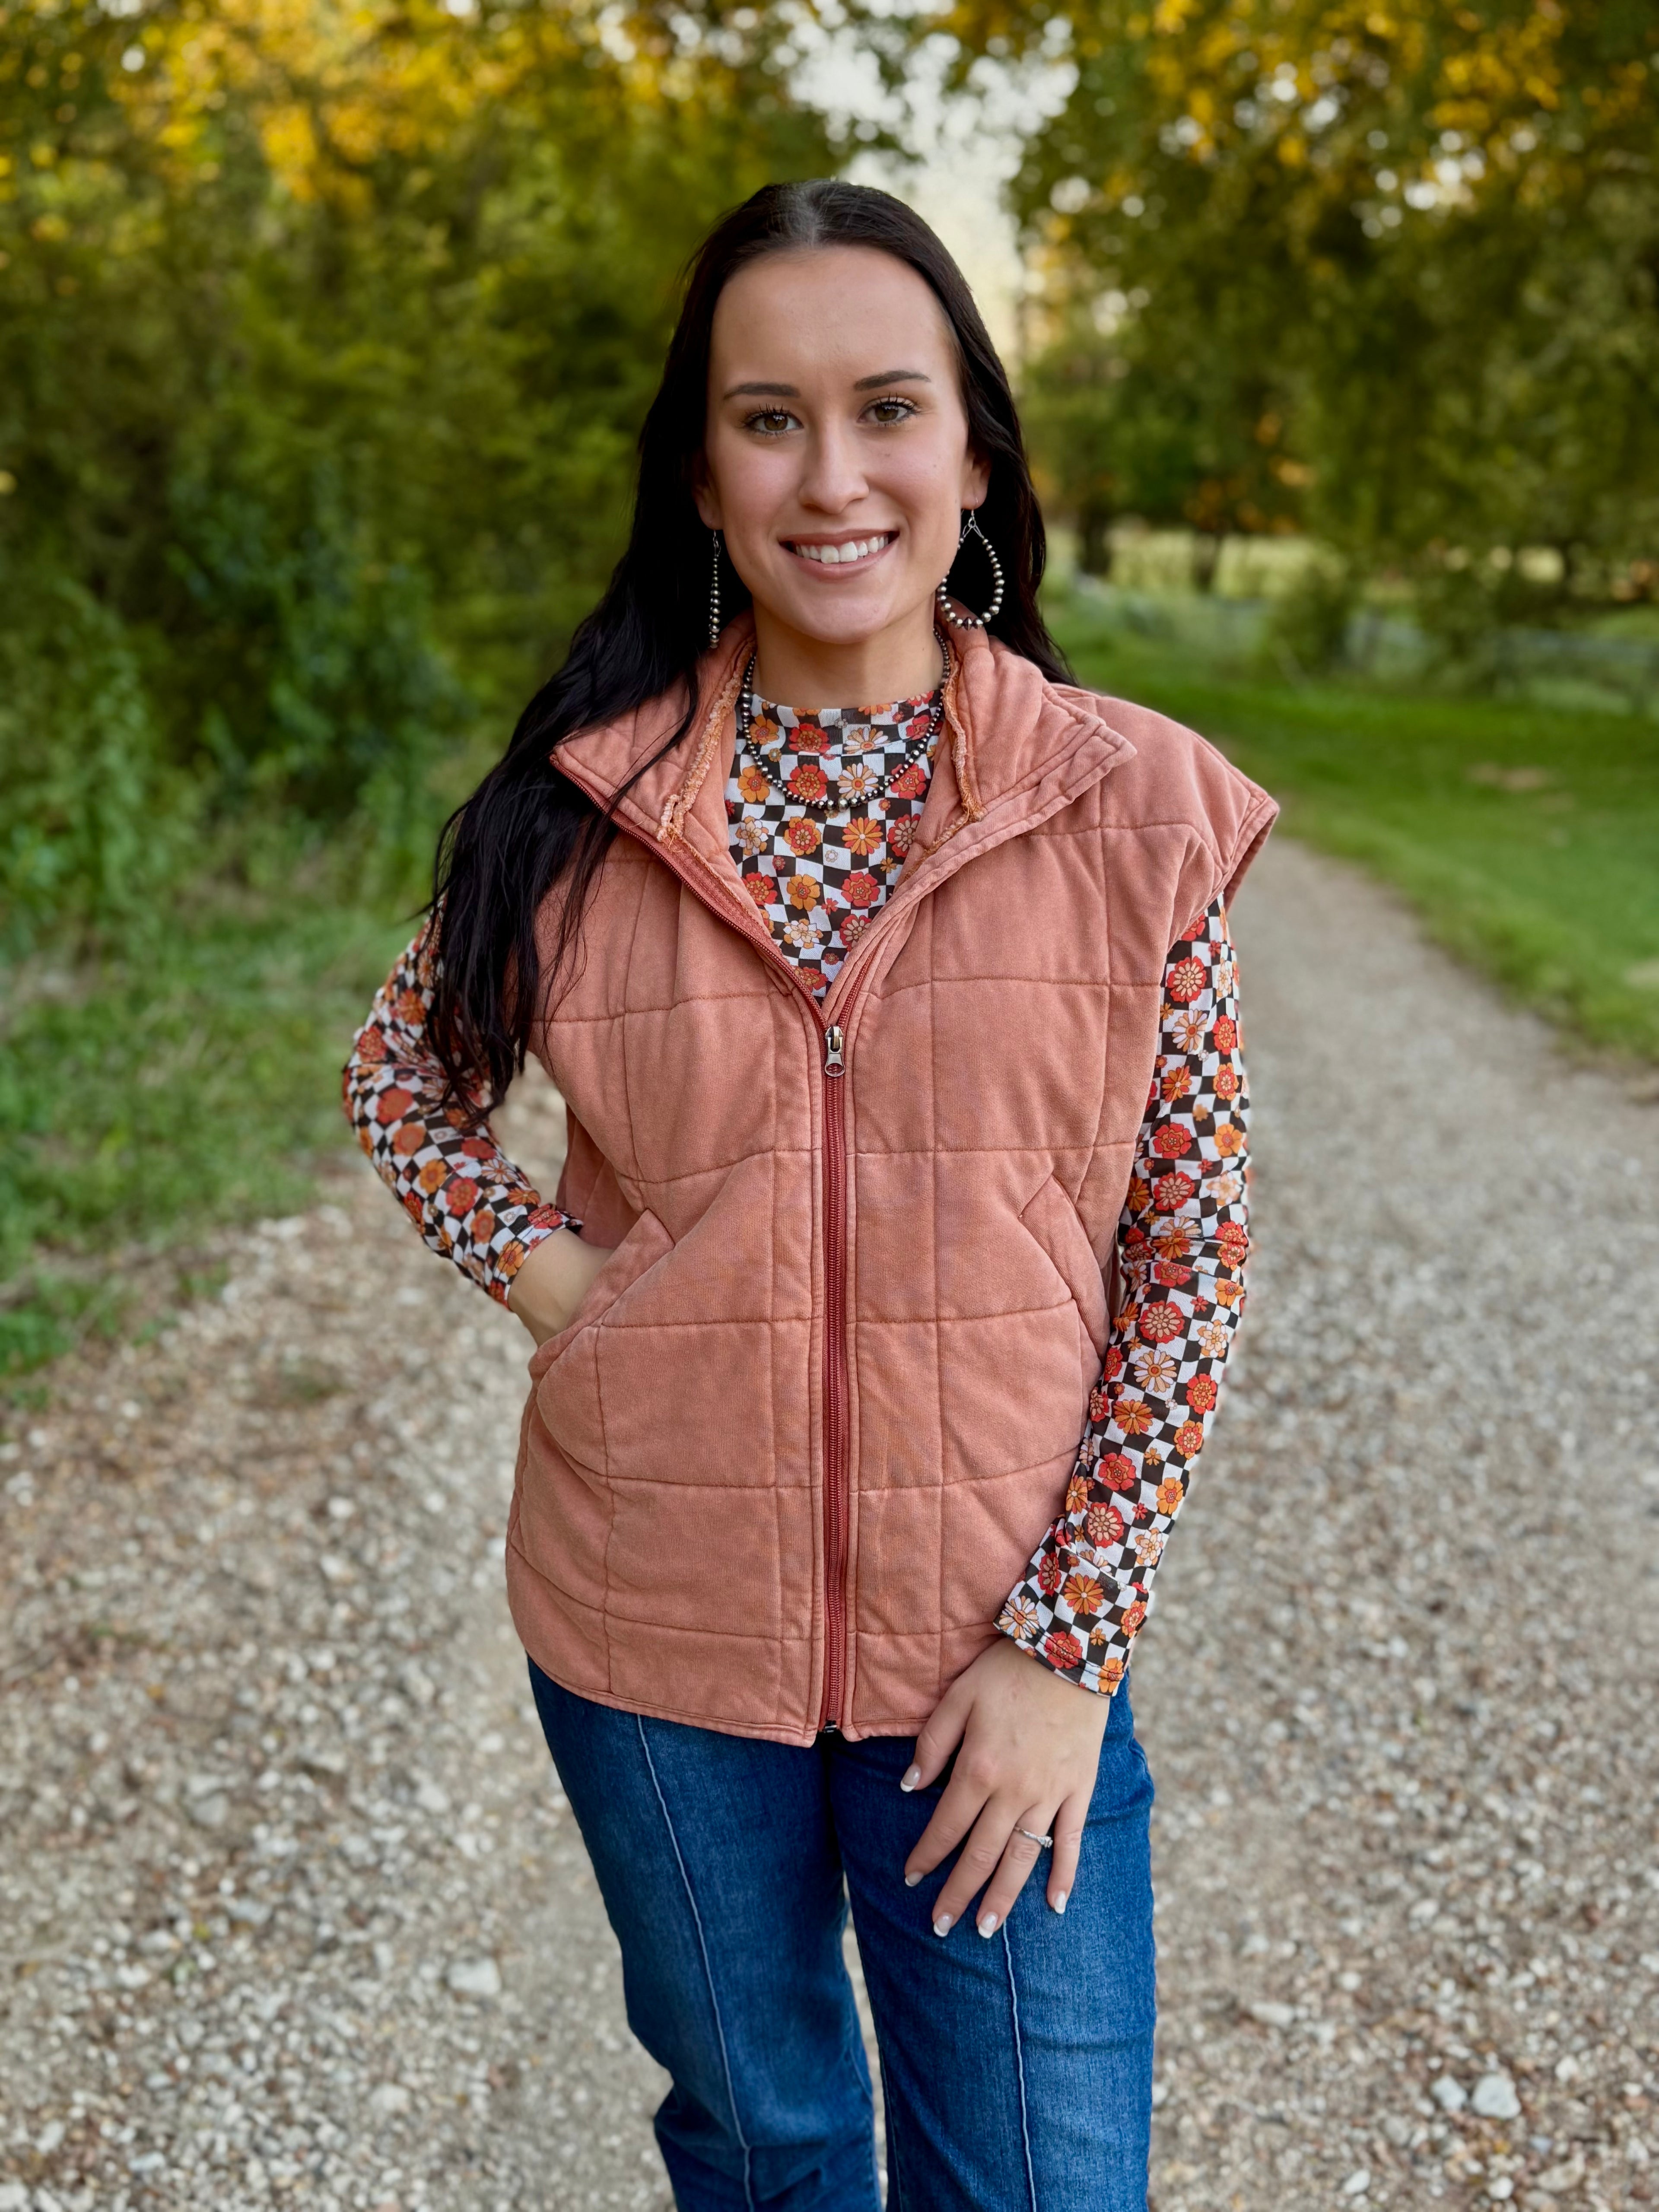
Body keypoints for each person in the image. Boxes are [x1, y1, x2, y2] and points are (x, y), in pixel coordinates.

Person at [343, 179, 1275, 2212]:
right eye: (770, 418)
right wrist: (558, 1279)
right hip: (653, 1638)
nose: (832, 474)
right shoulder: (577, 811)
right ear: (700, 469)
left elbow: (1192, 1239)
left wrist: (1067, 1641)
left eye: (887, 409)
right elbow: (401, 1078)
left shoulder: (1126, 804)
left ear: (975, 453)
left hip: (996, 1662)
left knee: (1037, 2179)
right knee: (763, 2142)